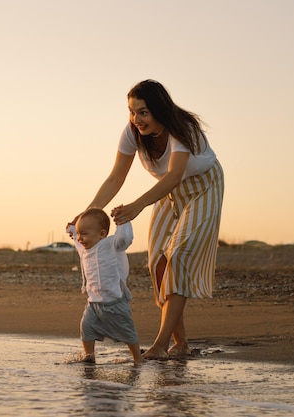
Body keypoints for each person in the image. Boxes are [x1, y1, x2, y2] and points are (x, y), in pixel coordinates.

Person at [69, 80, 224, 359]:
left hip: (203, 187)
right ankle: (181, 344)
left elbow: (175, 174)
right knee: (158, 264)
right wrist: (86, 214)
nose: (136, 119)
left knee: (177, 256)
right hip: (168, 192)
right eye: (132, 112)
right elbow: (116, 177)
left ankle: (161, 345)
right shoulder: (131, 133)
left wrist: (138, 205)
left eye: (143, 112)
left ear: (159, 110)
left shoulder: (182, 128)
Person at [67, 207, 144, 364]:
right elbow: (76, 241)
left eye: (85, 234)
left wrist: (122, 221)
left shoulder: (111, 244)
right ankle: (89, 356)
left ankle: (138, 359)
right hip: (94, 303)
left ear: (102, 234)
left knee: (127, 332)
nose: (80, 238)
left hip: (115, 301)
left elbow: (125, 239)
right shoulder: (84, 250)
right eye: (80, 234)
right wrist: (73, 230)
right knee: (86, 328)